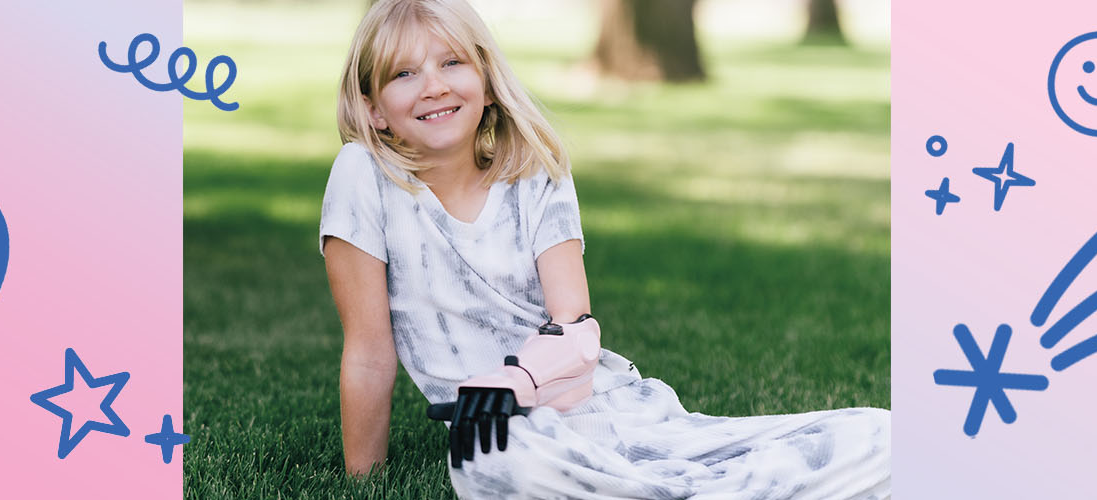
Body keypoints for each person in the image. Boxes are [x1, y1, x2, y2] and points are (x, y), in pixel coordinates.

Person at [319, 0, 890, 498]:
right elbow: (369, 352)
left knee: (881, 434)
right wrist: (363, 484)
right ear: (373, 109)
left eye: (451, 62)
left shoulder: (535, 171)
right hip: (516, 436)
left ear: (487, 81)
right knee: (487, 462)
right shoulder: (363, 178)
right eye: (403, 73)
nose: (433, 85)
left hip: (605, 410)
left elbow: (577, 327)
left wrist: (512, 380)